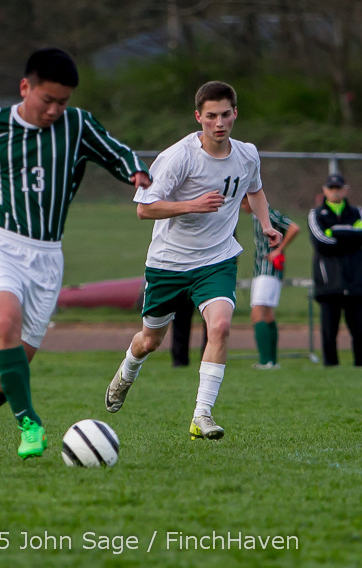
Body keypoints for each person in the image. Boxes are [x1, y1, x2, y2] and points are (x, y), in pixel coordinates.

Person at [0, 47, 152, 461]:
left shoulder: (76, 125)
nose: (56, 109)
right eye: (48, 100)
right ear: (26, 87)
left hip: (48, 258)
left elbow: (116, 151)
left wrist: (136, 170)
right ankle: (29, 421)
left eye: (63, 101)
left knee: (11, 369)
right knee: (5, 320)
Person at [105, 80, 282, 440]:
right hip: (169, 262)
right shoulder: (178, 156)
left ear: (236, 114)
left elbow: (255, 189)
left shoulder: (247, 154)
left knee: (219, 327)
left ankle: (202, 415)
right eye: (211, 116)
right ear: (198, 116)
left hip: (216, 259)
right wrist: (192, 205)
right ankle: (127, 370)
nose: (219, 123)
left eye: (226, 114)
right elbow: (144, 208)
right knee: (150, 341)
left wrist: (265, 225)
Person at [307, 173, 362, 367]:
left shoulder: (357, 212)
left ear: (345, 190)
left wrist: (335, 231)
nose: (335, 192)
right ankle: (331, 365)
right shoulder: (316, 214)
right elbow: (321, 242)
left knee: (359, 328)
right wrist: (349, 236)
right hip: (329, 282)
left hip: (355, 279)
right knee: (329, 329)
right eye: (331, 188)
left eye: (338, 188)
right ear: (325, 190)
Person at [240, 194, 301, 369]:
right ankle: (272, 361)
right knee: (267, 314)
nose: (242, 206)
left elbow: (294, 227)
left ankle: (265, 360)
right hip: (262, 271)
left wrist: (279, 250)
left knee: (258, 313)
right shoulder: (256, 217)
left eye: (243, 202)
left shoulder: (268, 214)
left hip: (268, 270)